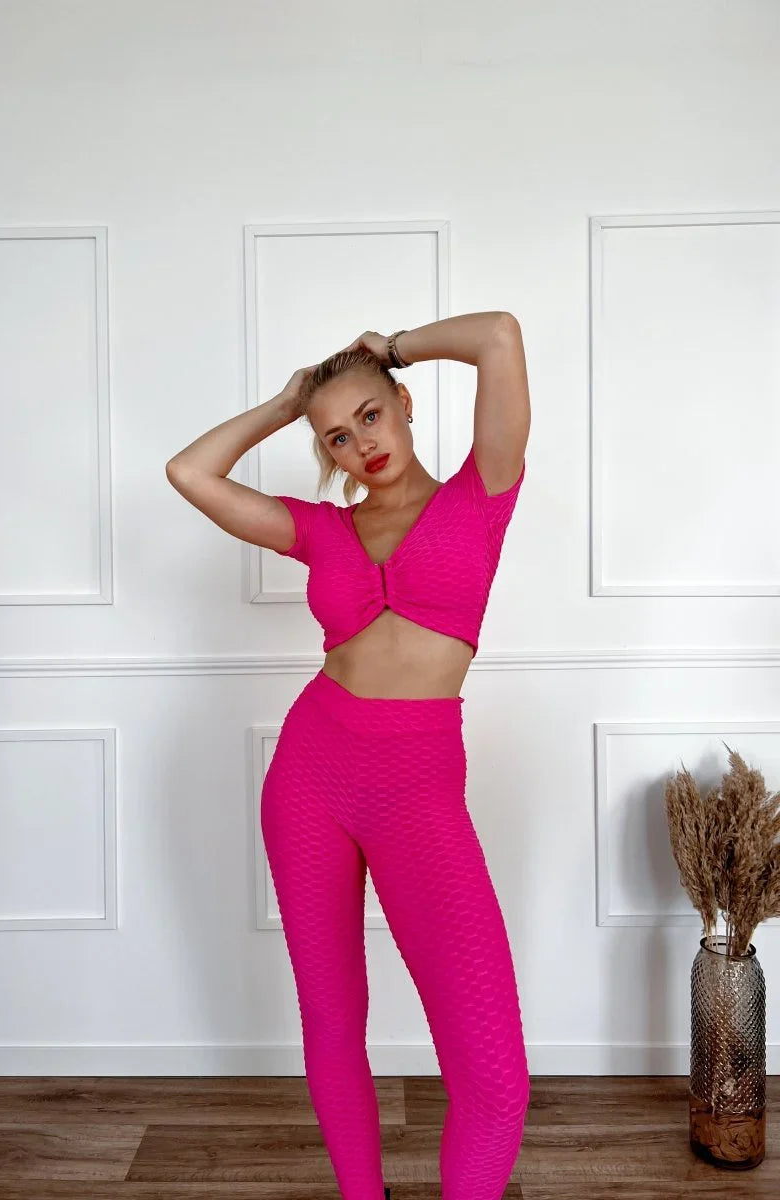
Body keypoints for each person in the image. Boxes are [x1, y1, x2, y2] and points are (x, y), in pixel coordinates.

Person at [166, 311, 531, 1200]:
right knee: (332, 1022)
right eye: (337, 435)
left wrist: (389, 346)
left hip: (418, 787)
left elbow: (499, 336)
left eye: (370, 414)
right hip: (311, 777)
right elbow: (190, 473)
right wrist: (286, 403)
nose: (361, 442)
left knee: (494, 1076)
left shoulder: (481, 492)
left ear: (405, 404)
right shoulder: (320, 530)